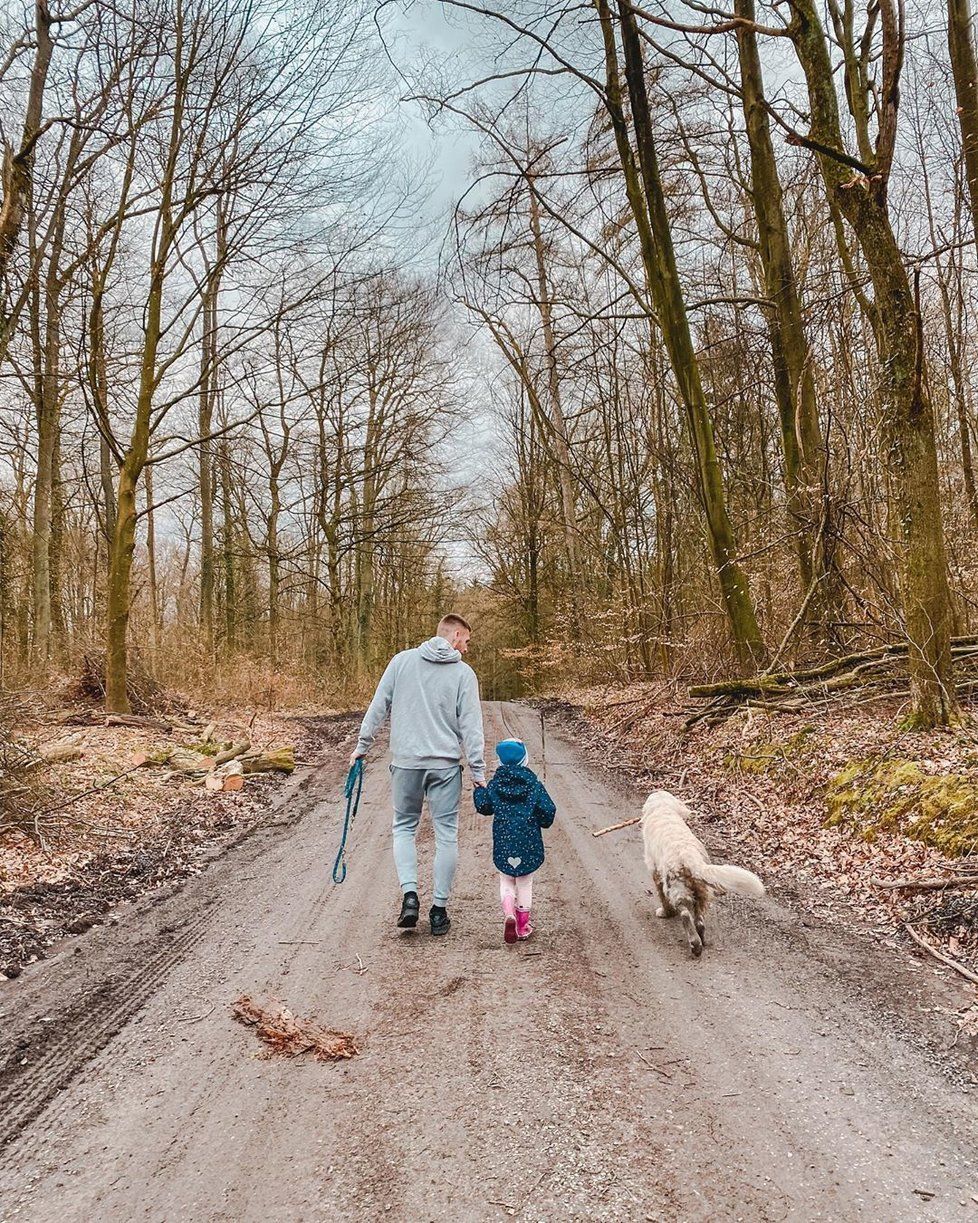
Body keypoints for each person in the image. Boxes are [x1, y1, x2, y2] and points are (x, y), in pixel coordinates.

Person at [351, 613, 485, 936]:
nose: (466, 649)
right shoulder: (464, 675)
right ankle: (438, 911)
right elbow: (471, 727)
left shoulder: (401, 662)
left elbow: (378, 705)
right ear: (454, 635)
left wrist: (362, 745)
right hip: (444, 767)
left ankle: (410, 897)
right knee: (446, 835)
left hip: (407, 763)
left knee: (404, 827)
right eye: (465, 641)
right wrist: (479, 770)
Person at [473, 738, 556, 944]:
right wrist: (542, 819)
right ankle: (522, 925)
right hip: (528, 843)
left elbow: (484, 806)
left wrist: (479, 790)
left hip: (504, 842)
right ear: (525, 760)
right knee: (525, 882)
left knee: (506, 880)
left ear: (500, 762)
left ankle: (508, 913)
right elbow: (548, 812)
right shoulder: (534, 785)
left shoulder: (495, 785)